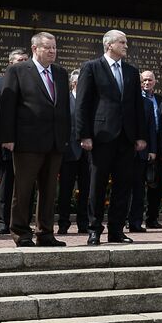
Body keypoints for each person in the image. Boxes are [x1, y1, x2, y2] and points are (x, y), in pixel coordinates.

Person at [0, 32, 68, 248]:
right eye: (48, 47)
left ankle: (45, 233)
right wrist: (7, 137)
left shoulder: (60, 73)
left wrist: (65, 137)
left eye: (54, 47)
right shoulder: (18, 70)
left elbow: (63, 108)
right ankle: (21, 232)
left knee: (48, 190)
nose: (52, 51)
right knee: (23, 189)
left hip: (54, 142)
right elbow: (7, 106)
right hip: (27, 141)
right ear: (35, 49)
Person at [75, 29, 146, 244]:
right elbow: (83, 104)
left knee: (123, 185)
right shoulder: (91, 67)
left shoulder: (132, 72)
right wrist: (84, 134)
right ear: (109, 45)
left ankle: (116, 229)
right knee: (97, 184)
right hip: (101, 136)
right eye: (122, 42)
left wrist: (141, 136)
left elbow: (137, 106)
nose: (126, 46)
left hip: (126, 137)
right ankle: (94, 228)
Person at [0, 49, 28, 235]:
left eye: (25, 60)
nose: (23, 62)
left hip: (28, 143)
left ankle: (23, 222)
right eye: (20, 60)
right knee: (6, 184)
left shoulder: (32, 81)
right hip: (7, 143)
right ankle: (4, 222)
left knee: (27, 184)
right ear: (10, 62)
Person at [57, 70, 90, 234]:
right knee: (65, 190)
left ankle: (83, 223)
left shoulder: (90, 100)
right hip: (69, 152)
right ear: (74, 83)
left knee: (86, 190)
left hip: (87, 153)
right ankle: (63, 223)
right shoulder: (65, 99)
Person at [138, 70, 162, 230]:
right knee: (137, 186)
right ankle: (133, 218)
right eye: (144, 80)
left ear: (155, 82)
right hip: (141, 148)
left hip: (158, 148)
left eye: (150, 80)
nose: (147, 83)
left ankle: (152, 218)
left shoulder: (160, 100)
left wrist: (161, 151)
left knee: (156, 186)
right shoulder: (136, 100)